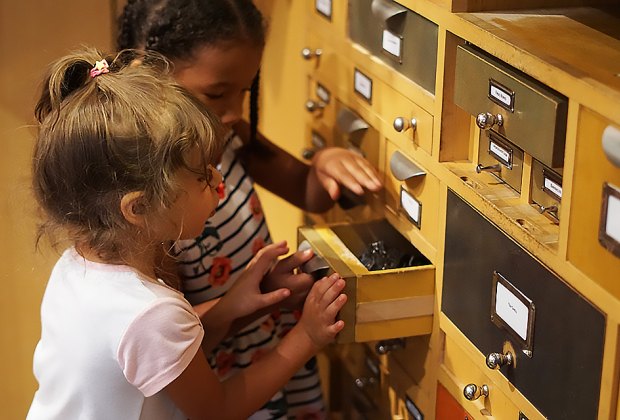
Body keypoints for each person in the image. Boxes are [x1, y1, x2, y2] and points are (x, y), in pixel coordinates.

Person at [27, 47, 347, 420]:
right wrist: (307, 336)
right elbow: (219, 410)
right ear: (140, 208)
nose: (219, 179)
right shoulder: (150, 313)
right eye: (202, 176)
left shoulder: (76, 266)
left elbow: (164, 361)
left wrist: (236, 307)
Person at [117, 1, 382, 418]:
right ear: (150, 74)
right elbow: (179, 336)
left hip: (269, 342)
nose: (235, 111)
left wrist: (328, 161)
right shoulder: (152, 198)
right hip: (220, 376)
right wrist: (265, 314)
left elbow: (309, 191)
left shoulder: (229, 132)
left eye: (247, 90)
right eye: (217, 93)